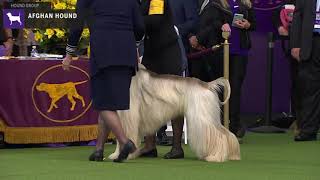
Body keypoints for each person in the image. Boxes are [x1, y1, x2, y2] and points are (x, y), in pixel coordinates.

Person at [62, 0, 145, 162]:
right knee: (109, 103)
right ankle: (99, 149)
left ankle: (124, 142)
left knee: (102, 102)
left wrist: (69, 53)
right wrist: (134, 46)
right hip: (126, 53)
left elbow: (77, 25)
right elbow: (140, 26)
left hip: (103, 52)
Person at [189, 0, 256, 141]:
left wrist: (248, 25)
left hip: (240, 52)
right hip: (220, 51)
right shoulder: (215, 4)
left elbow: (253, 23)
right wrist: (221, 25)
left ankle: (234, 126)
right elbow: (209, 23)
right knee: (220, 88)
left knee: (235, 88)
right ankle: (219, 126)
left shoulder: (245, 3)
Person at [139, 0, 184, 158]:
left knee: (175, 100)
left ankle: (177, 147)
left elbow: (155, 20)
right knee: (146, 100)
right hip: (151, 53)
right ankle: (150, 145)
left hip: (167, 53)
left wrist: (131, 18)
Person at [290, 0, 320, 141]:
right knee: (309, 88)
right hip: (311, 44)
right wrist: (295, 44)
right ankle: (308, 130)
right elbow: (297, 17)